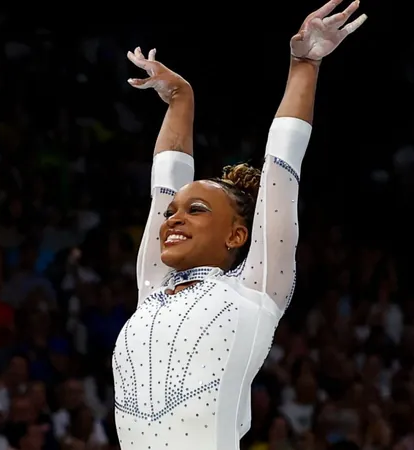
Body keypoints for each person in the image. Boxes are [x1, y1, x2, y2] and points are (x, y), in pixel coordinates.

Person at [112, 1, 367, 450]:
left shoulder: (256, 289)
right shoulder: (153, 288)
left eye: (197, 211)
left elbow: (281, 170)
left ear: (236, 235)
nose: (173, 218)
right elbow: (163, 188)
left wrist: (304, 63)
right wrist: (180, 99)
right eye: (174, 212)